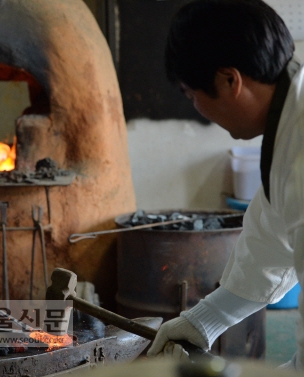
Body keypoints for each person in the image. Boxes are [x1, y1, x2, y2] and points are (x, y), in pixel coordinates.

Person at [146, 0, 304, 370]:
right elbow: (269, 242)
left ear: (229, 80)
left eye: (191, 94)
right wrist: (203, 320)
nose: (195, 106)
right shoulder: (288, 121)